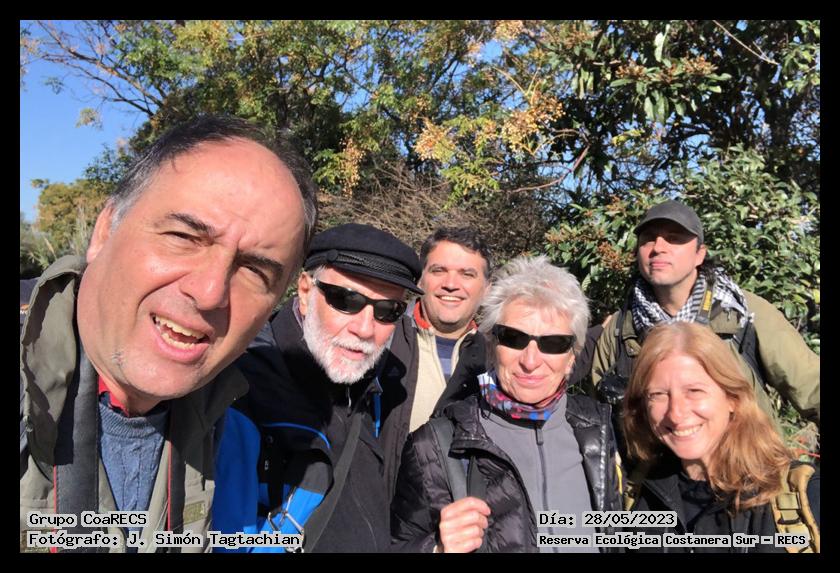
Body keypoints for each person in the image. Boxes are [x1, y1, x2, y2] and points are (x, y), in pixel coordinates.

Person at [19, 115, 317, 553]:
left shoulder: (231, 440)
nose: (210, 292)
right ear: (105, 230)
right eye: (183, 237)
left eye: (254, 270)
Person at [213, 223, 423, 553]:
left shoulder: (371, 387)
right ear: (305, 291)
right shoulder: (244, 390)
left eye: (387, 311)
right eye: (346, 300)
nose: (365, 329)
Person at [391, 256, 622, 553]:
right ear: (491, 344)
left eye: (553, 343)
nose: (530, 361)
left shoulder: (597, 428)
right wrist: (436, 549)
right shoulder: (434, 445)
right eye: (514, 338)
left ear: (572, 357)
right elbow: (396, 543)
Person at [588, 200, 819, 453]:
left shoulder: (743, 314)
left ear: (700, 254)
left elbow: (811, 387)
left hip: (747, 468)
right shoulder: (620, 329)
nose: (658, 248)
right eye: (648, 239)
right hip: (655, 475)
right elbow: (602, 420)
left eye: (674, 239)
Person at [623, 322, 820, 553]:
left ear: (732, 398)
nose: (676, 414)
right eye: (658, 394)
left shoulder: (803, 498)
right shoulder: (632, 495)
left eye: (694, 391)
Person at [409, 227, 492, 432]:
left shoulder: (498, 358)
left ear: (487, 290)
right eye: (439, 271)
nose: (451, 284)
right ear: (420, 280)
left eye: (467, 274)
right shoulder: (383, 343)